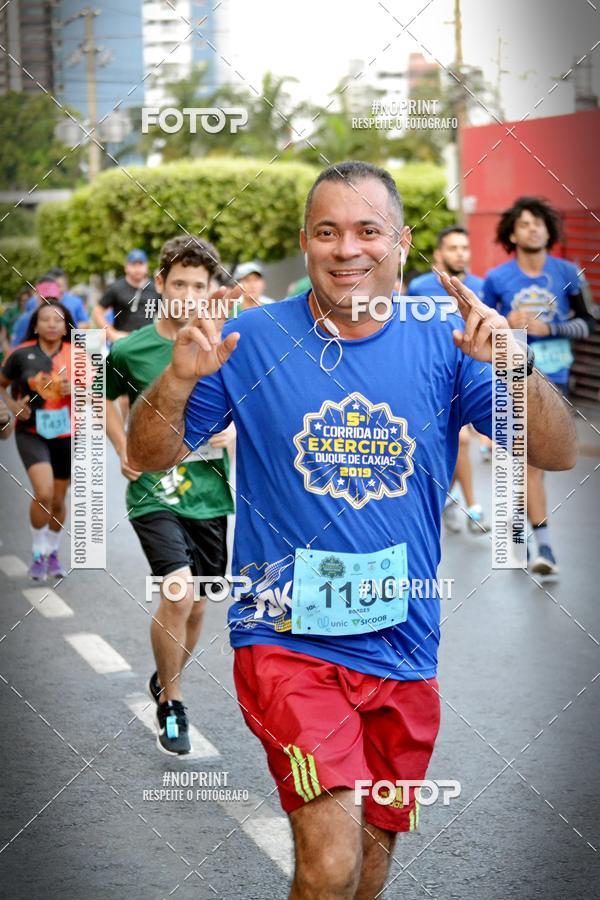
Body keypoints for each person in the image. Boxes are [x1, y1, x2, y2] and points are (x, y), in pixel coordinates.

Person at [126, 161, 576, 899]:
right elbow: (146, 457)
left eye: (368, 230)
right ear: (305, 242)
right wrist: (178, 380)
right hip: (285, 641)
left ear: (400, 243)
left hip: (403, 645)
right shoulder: (252, 338)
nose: (347, 249)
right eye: (328, 231)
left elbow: (555, 452)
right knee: (329, 860)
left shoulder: (446, 342)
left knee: (369, 865)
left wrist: (512, 363)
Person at [105, 235, 235, 756]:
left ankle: (164, 676)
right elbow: (107, 404)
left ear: (210, 291)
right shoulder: (130, 349)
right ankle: (173, 704)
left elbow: (253, 405)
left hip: (209, 489)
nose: (185, 294)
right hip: (154, 487)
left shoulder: (226, 344)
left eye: (197, 286)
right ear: (160, 285)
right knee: (177, 591)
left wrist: (234, 432)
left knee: (199, 603)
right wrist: (123, 449)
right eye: (177, 283)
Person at [483, 196, 595, 576]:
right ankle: (539, 544)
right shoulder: (497, 278)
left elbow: (589, 324)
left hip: (555, 379)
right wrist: (503, 319)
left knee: (533, 464)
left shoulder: (569, 272)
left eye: (538, 223)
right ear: (512, 233)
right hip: (512, 375)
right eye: (524, 224)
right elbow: (480, 326)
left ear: (549, 230)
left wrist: (552, 329)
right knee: (524, 463)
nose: (532, 229)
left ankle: (531, 537)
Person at [408, 226, 490, 535]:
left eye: (465, 248)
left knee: (463, 441)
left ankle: (464, 504)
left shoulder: (484, 286)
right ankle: (462, 503)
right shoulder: (419, 287)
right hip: (431, 378)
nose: (461, 254)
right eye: (453, 248)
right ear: (440, 254)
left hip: (472, 376)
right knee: (457, 442)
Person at [0, 302, 76, 580]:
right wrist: (12, 405)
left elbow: (97, 393)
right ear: (35, 324)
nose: (52, 324)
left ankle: (53, 552)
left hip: (66, 434)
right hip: (31, 432)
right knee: (42, 493)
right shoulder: (20, 354)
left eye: (58, 319)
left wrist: (76, 389)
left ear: (66, 324)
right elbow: (1, 384)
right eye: (46, 319)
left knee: (58, 500)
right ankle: (37, 552)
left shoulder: (77, 355)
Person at [92, 249, 157, 340]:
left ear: (147, 266)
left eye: (141, 264)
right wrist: (111, 333)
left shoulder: (155, 288)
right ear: (126, 267)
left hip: (147, 340)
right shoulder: (117, 288)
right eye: (134, 265)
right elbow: (97, 312)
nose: (137, 269)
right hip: (123, 340)